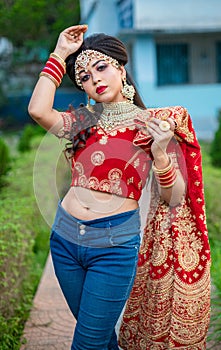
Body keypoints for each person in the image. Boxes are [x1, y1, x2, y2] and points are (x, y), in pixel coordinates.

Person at [28, 25, 211, 350]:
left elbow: (175, 197)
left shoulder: (153, 124)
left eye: (100, 67)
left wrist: (159, 154)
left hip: (112, 245)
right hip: (65, 238)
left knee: (87, 343)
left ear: (121, 68)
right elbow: (38, 110)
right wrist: (59, 54)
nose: (94, 78)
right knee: (98, 337)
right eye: (84, 76)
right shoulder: (84, 120)